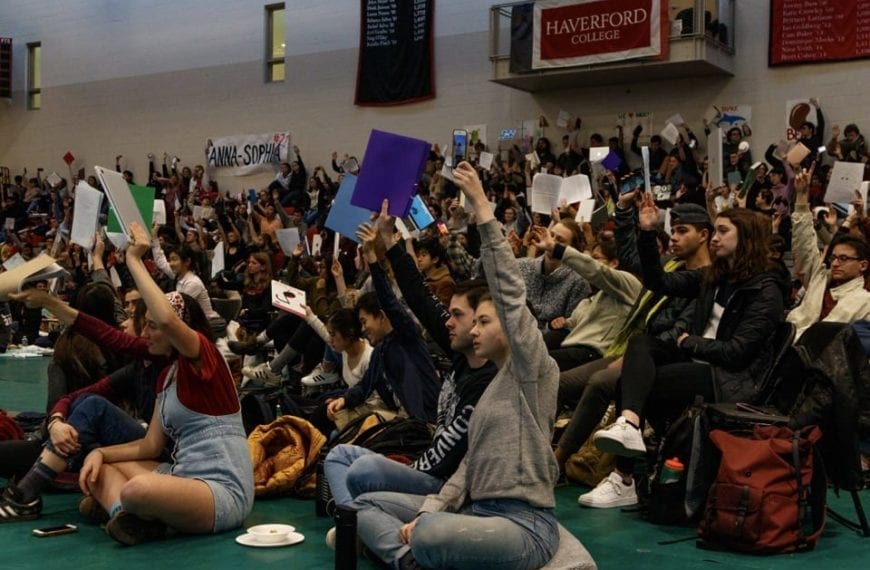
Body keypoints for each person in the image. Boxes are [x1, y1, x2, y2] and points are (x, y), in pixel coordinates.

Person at [353, 162, 560, 569]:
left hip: (525, 525)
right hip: (474, 513)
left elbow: (510, 295)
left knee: (426, 533)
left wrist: (482, 208)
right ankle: (410, 558)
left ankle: (407, 549)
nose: (475, 330)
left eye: (485, 321)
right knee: (360, 505)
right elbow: (468, 468)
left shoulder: (535, 371)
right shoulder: (490, 390)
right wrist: (434, 506)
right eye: (475, 322)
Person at [74, 222, 254, 545]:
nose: (145, 333)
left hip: (223, 491)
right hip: (183, 479)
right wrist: (100, 452)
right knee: (102, 470)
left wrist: (134, 260)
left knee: (137, 489)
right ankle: (129, 518)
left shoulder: (205, 356)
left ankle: (130, 509)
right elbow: (149, 447)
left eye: (153, 327)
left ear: (174, 332)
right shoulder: (167, 377)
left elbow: (170, 319)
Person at [591, 198, 784, 495]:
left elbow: (738, 353)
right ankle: (629, 430)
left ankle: (624, 478)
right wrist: (646, 232)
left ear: (745, 237)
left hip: (730, 378)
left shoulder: (765, 290)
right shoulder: (713, 277)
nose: (714, 238)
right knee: (641, 346)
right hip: (698, 360)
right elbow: (658, 281)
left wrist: (691, 342)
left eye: (722, 231)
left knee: (639, 384)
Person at [787, 165, 870, 339]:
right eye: (833, 258)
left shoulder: (865, 301)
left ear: (863, 265)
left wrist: (859, 219)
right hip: (787, 347)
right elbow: (803, 247)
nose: (835, 263)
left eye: (844, 258)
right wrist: (802, 198)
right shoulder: (819, 279)